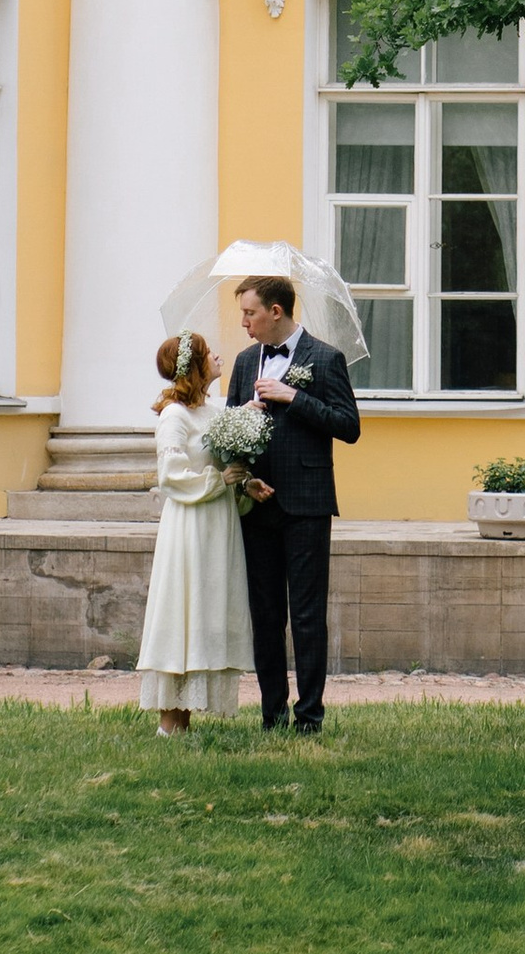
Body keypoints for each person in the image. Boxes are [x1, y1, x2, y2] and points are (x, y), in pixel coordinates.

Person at [224, 271, 359, 733]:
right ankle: (271, 714)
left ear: (275, 312)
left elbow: (349, 426)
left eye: (250, 313)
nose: (244, 322)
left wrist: (292, 396)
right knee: (265, 615)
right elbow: (227, 434)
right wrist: (243, 466)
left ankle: (310, 716)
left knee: (306, 615)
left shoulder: (325, 358)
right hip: (256, 505)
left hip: (306, 503)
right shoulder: (245, 363)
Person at [135, 332, 256, 734]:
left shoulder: (214, 411)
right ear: (194, 365)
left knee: (207, 604)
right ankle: (170, 721)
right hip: (189, 524)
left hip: (219, 523)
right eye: (209, 352)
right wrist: (219, 480)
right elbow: (170, 475)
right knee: (184, 605)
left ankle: (185, 717)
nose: (219, 355)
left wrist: (243, 482)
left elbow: (225, 466)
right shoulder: (175, 415)